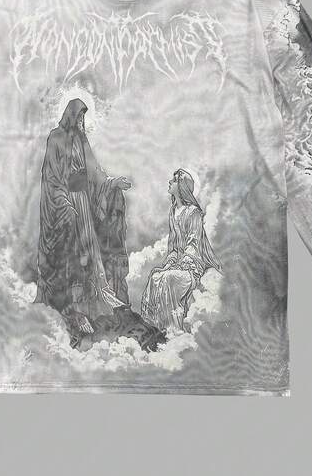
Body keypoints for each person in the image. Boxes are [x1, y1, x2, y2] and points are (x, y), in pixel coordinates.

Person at [34, 98, 132, 335]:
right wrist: (64, 203)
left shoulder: (82, 140)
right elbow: (51, 178)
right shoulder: (56, 138)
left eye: (83, 117)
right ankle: (75, 310)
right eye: (79, 116)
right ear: (71, 116)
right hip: (66, 204)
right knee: (74, 256)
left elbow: (95, 172)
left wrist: (112, 182)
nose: (81, 121)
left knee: (89, 253)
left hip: (84, 204)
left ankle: (97, 298)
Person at [140, 169, 222, 335]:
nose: (170, 182)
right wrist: (170, 263)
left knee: (169, 278)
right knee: (156, 276)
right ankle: (157, 327)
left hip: (193, 266)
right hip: (178, 263)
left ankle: (173, 329)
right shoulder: (172, 212)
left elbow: (193, 243)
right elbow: (173, 246)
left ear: (182, 186)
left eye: (174, 180)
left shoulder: (194, 212)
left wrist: (183, 264)